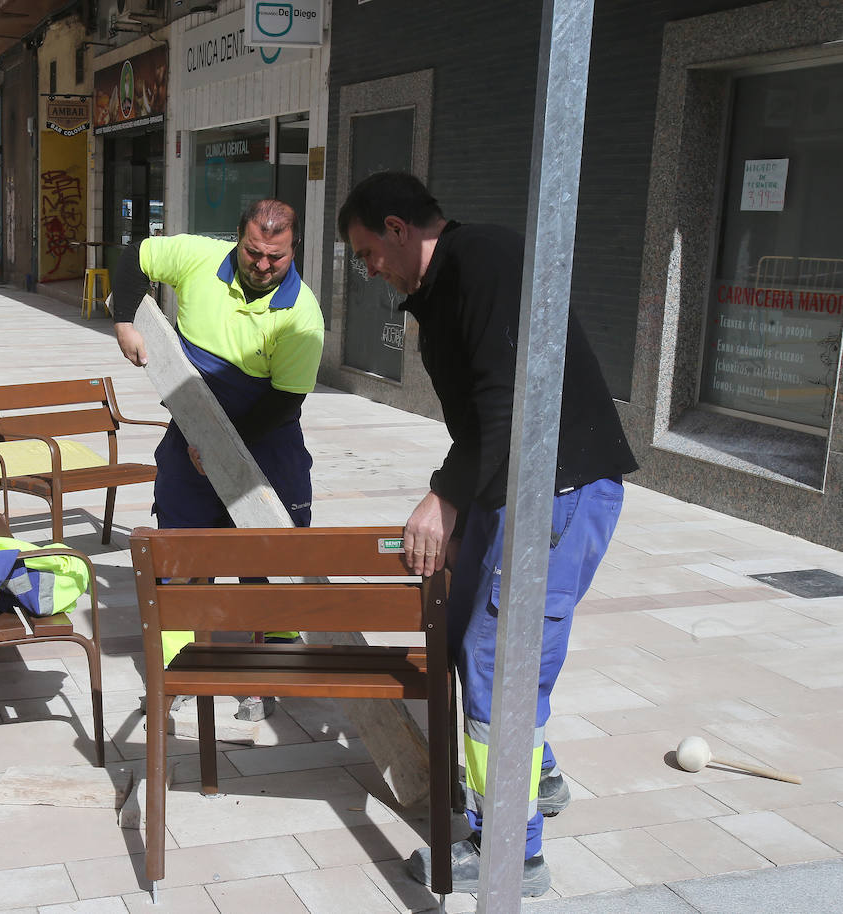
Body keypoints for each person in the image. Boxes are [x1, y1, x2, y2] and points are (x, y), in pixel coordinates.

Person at [336, 171, 638, 896]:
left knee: (500, 662)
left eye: (366, 251)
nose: (367, 268)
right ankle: (542, 774)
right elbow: (480, 419)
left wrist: (442, 500)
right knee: (470, 630)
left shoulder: (484, 262)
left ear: (399, 229)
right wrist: (469, 510)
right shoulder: (441, 293)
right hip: (514, 494)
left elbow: (508, 401)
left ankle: (512, 851)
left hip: (558, 495)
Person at [111, 200, 324, 720]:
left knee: (270, 557)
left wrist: (220, 444)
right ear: (237, 239)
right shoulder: (197, 257)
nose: (263, 265)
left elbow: (285, 401)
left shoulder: (302, 316)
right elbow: (131, 256)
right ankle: (181, 667)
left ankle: (265, 675)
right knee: (181, 551)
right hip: (191, 428)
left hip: (266, 436)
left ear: (294, 248)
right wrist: (123, 322)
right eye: (253, 251)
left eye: (276, 255)